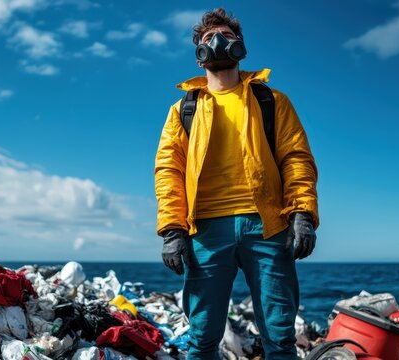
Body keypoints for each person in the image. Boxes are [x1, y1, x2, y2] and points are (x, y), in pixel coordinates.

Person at [154, 8, 319, 360]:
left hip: (269, 226)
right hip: (206, 231)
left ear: (241, 47)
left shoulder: (272, 101)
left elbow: (296, 158)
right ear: (199, 55)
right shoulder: (183, 109)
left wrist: (302, 212)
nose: (217, 42)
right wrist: (172, 229)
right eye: (207, 38)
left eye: (226, 36)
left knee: (280, 337)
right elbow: (169, 170)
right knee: (202, 339)